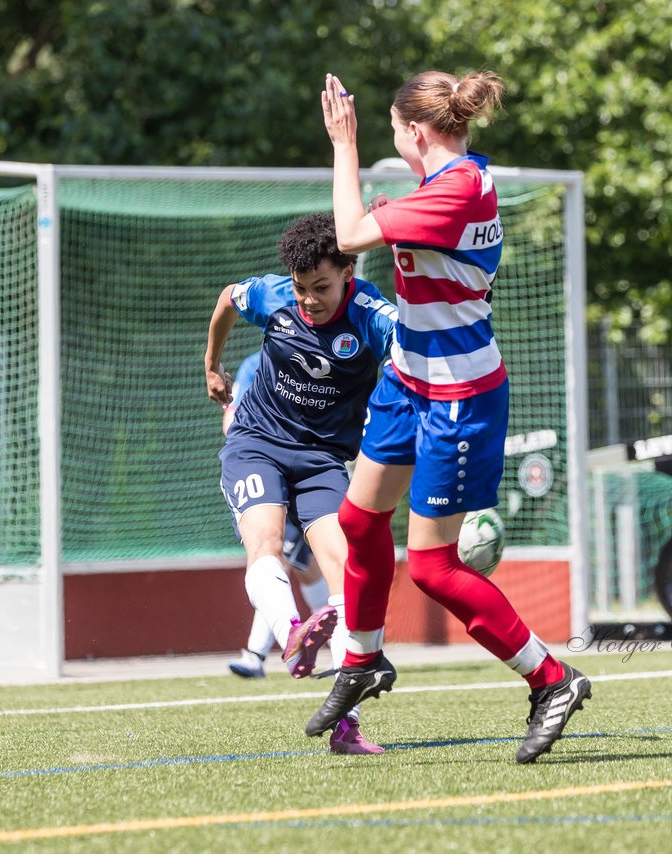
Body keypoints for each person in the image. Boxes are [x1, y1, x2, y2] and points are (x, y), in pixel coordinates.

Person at [307, 70, 592, 764]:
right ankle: (364, 661)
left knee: (434, 567)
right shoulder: (461, 180)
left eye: (394, 133)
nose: (391, 143)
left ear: (416, 132)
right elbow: (417, 240)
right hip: (410, 380)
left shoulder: (458, 189)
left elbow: (348, 232)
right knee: (357, 520)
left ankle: (553, 680)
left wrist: (341, 143)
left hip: (457, 397)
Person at [205, 211, 398, 755]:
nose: (310, 299)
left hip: (321, 460)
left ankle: (346, 723)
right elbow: (227, 299)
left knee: (345, 576)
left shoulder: (372, 316)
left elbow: (413, 349)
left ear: (349, 272)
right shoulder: (273, 297)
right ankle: (292, 633)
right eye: (301, 288)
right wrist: (212, 364)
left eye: (322, 287)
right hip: (255, 443)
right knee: (265, 546)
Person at [222, 352, 330, 680]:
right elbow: (231, 421)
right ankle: (267, 650)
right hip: (261, 468)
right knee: (277, 556)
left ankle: (343, 638)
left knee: (301, 565)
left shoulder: (327, 359)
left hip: (306, 470)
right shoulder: (254, 365)